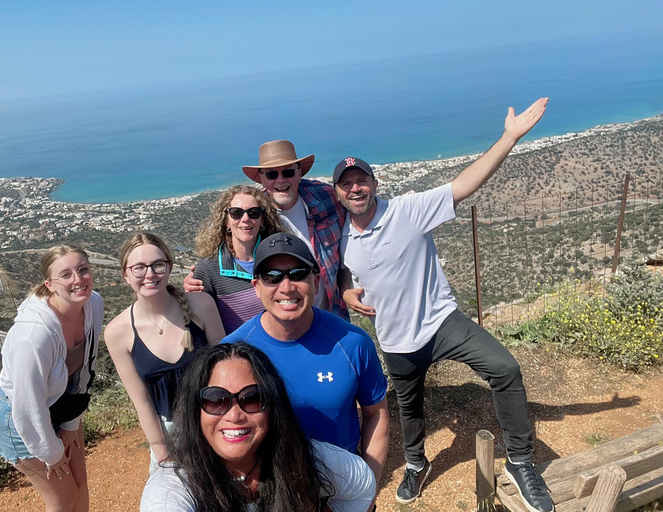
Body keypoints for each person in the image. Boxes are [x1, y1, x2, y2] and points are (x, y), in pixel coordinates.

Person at [334, 98, 554, 512]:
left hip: (442, 322)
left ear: (374, 184)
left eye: (361, 179)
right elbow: (347, 271)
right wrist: (347, 290)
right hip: (396, 339)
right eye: (347, 184)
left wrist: (508, 138)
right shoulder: (342, 237)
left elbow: (464, 184)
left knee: (505, 368)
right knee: (408, 406)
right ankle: (416, 464)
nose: (355, 188)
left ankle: (522, 462)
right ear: (338, 193)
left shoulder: (408, 210)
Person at [221, 233, 389, 494]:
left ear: (317, 280)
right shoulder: (232, 353)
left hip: (340, 487)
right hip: (266, 491)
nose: (286, 287)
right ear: (256, 286)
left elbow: (376, 414)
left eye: (298, 273)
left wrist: (367, 490)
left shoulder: (352, 343)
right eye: (272, 277)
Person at [140, 342, 376, 512]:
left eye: (252, 398)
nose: (234, 415)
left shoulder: (303, 458)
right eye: (215, 399)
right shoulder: (175, 484)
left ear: (272, 407)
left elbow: (362, 484)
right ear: (196, 411)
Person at [0, 245, 103, 512]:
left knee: (80, 486)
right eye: (66, 275)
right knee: (63, 498)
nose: (78, 279)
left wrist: (72, 422)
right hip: (21, 421)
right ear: (49, 285)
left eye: (83, 269)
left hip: (62, 406)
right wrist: (50, 452)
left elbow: (86, 367)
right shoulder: (34, 336)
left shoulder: (93, 304)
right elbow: (27, 407)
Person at [186, 140, 349, 320]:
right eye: (272, 174)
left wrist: (348, 286)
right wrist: (198, 283)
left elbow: (354, 228)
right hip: (286, 322)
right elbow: (232, 250)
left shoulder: (325, 196)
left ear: (299, 173)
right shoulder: (253, 211)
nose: (280, 180)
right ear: (261, 179)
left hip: (331, 315)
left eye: (288, 172)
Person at [104, 233, 225, 469]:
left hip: (216, 420)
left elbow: (225, 369)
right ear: (125, 274)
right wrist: (162, 455)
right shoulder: (118, 332)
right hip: (171, 434)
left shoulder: (201, 305)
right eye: (139, 268)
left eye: (157, 265)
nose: (149, 275)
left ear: (169, 267)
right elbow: (143, 403)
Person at [192, 185, 286, 334]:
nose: (245, 219)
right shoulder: (209, 270)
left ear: (262, 220)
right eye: (236, 213)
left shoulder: (279, 258)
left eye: (254, 213)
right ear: (226, 222)